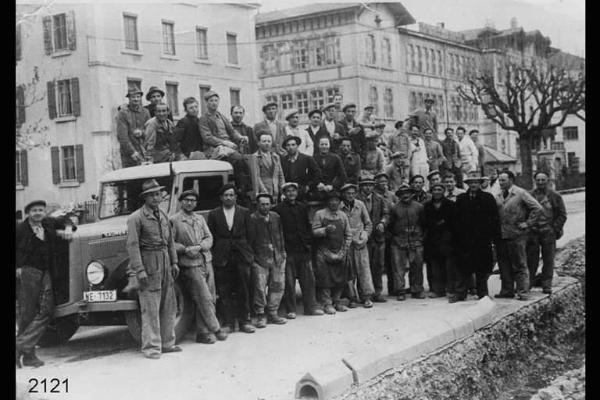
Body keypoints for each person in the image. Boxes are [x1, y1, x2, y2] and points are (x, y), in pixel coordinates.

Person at [126, 179, 181, 359]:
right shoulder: (136, 218)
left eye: (158, 194)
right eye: (152, 195)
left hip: (165, 262)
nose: (156, 198)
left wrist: (174, 262)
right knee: (150, 308)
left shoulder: (163, 215)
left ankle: (167, 343)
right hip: (149, 263)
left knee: (168, 305)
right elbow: (133, 246)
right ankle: (151, 347)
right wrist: (140, 270)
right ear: (145, 197)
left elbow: (170, 241)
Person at [16, 200, 74, 368]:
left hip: (47, 272)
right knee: (28, 313)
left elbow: (67, 219)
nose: (38, 213)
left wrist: (68, 229)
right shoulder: (20, 229)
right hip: (28, 271)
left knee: (47, 310)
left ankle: (20, 346)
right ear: (28, 213)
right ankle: (29, 356)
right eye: (34, 210)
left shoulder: (47, 223)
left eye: (41, 210)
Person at [170, 190, 228, 344]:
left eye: (193, 200)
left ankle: (203, 333)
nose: (190, 203)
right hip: (189, 264)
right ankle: (216, 328)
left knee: (211, 296)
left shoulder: (200, 219)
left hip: (206, 260)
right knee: (204, 297)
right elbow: (170, 244)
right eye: (187, 200)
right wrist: (185, 249)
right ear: (181, 202)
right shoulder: (174, 220)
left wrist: (200, 247)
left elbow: (209, 237)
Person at [207, 184, 255, 334]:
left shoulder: (245, 212)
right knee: (225, 290)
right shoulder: (214, 214)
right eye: (225, 195)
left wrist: (248, 252)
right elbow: (211, 236)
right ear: (221, 198)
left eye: (231, 195)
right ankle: (228, 323)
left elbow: (251, 235)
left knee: (243, 289)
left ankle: (244, 322)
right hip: (222, 257)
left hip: (241, 255)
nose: (228, 197)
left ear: (235, 197)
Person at [273, 183, 324, 318]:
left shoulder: (302, 207)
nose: (291, 193)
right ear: (284, 193)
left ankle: (310, 307)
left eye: (293, 191)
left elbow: (307, 226)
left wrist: (308, 243)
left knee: (308, 280)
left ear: (296, 192)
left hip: (303, 248)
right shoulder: (278, 209)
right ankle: (291, 310)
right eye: (288, 191)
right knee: (289, 282)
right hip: (288, 250)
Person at [494, 170, 543, 301]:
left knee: (520, 264)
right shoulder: (498, 195)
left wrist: (528, 223)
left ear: (511, 180)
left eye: (503, 180)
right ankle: (507, 290)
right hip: (502, 234)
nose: (500, 182)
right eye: (499, 180)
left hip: (517, 234)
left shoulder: (520, 193)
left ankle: (523, 291)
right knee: (504, 264)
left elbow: (537, 208)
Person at [453, 173, 501, 302]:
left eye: (476, 182)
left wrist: (492, 237)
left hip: (482, 239)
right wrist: (458, 237)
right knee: (463, 268)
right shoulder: (461, 198)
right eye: (471, 183)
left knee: (482, 268)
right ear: (467, 184)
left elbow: (494, 219)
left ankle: (483, 293)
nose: (473, 185)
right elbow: (456, 220)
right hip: (465, 239)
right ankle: (460, 294)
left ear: (480, 184)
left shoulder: (487, 198)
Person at [198, 90, 251, 198]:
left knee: (246, 160)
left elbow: (232, 131)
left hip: (227, 147)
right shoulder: (203, 119)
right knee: (238, 160)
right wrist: (224, 142)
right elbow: (207, 137)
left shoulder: (221, 116)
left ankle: (245, 189)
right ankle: (240, 190)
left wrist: (240, 137)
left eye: (216, 100)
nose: (214, 103)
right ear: (206, 103)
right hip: (214, 148)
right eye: (211, 101)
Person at [248, 193, 287, 327]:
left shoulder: (276, 217)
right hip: (260, 259)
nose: (265, 207)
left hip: (277, 257)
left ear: (271, 204)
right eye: (262, 204)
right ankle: (260, 314)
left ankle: (273, 312)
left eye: (267, 204)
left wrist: (282, 252)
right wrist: (253, 258)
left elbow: (281, 234)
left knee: (277, 285)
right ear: (257, 205)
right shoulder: (252, 219)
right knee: (259, 287)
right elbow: (250, 241)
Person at [312, 191, 353, 314]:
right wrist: (325, 230)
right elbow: (314, 231)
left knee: (340, 278)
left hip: (340, 252)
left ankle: (337, 301)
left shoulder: (343, 215)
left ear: (340, 202)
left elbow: (348, 234)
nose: (333, 202)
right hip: (324, 252)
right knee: (325, 279)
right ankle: (327, 304)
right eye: (331, 200)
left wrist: (344, 250)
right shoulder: (319, 214)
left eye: (336, 200)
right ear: (327, 202)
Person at [526, 171, 567, 294]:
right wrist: (528, 226)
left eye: (543, 180)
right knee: (531, 259)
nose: (540, 182)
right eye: (538, 180)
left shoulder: (555, 196)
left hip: (548, 232)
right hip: (533, 233)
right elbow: (524, 212)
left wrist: (554, 229)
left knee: (548, 259)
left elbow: (562, 215)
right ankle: (529, 283)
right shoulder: (529, 195)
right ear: (535, 181)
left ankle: (546, 284)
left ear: (548, 181)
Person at [388, 184, 426, 300]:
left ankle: (417, 289)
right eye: (402, 193)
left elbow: (424, 224)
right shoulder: (394, 208)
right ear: (399, 196)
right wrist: (395, 238)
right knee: (399, 267)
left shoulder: (419, 207)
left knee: (417, 266)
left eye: (408, 193)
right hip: (399, 241)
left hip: (416, 241)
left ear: (412, 194)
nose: (405, 195)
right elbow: (390, 226)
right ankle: (400, 291)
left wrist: (421, 238)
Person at [340, 183, 375, 308]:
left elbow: (368, 223)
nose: (350, 195)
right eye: (348, 193)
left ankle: (366, 297)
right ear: (343, 194)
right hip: (347, 243)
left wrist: (365, 235)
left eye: (353, 193)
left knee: (364, 269)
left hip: (360, 243)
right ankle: (352, 297)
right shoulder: (339, 207)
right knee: (349, 271)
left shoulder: (360, 205)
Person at [357, 175, 389, 302]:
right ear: (361, 186)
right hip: (363, 237)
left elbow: (386, 213)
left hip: (377, 237)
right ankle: (364, 293)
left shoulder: (379, 199)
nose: (368, 187)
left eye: (370, 184)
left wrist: (382, 222)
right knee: (363, 266)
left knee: (378, 265)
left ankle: (378, 291)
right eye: (365, 185)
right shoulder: (356, 200)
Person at [423, 184, 456, 299]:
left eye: (439, 190)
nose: (437, 192)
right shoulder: (427, 206)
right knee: (435, 266)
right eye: (434, 190)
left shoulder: (450, 204)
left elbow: (453, 222)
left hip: (447, 239)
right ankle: (437, 290)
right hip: (432, 240)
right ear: (431, 192)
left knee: (449, 266)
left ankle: (450, 289)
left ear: (443, 191)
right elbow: (425, 222)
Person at [374, 172, 398, 297]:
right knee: (378, 262)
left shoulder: (392, 195)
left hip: (391, 231)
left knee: (392, 261)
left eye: (385, 181)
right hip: (378, 231)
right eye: (380, 181)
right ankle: (376, 291)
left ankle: (393, 288)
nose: (383, 184)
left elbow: (397, 210)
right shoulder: (374, 196)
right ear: (376, 183)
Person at [117, 87, 151, 168]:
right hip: (129, 154)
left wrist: (142, 132)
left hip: (144, 151)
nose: (136, 99)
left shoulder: (145, 112)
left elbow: (149, 132)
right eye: (133, 97)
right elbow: (122, 136)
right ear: (129, 98)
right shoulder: (123, 113)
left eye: (138, 97)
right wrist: (132, 152)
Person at [280, 136, 322, 202]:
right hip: (287, 193)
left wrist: (309, 186)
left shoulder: (307, 159)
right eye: (288, 145)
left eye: (293, 145)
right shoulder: (282, 160)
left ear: (297, 146)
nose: (291, 147)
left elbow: (317, 174)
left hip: (303, 193)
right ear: (285, 147)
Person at [249, 132, 285, 202]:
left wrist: (283, 191)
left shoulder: (276, 157)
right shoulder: (255, 157)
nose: (267, 143)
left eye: (269, 141)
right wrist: (263, 191)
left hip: (275, 191)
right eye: (264, 141)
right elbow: (256, 177)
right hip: (263, 191)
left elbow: (281, 175)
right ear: (259, 143)